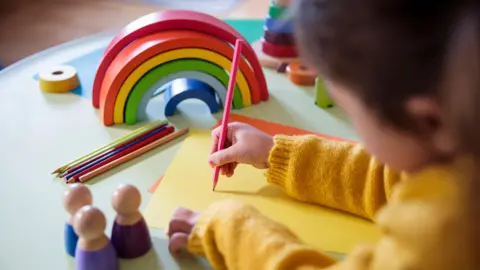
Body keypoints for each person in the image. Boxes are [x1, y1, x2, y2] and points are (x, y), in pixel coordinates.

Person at [166, 0, 480, 269]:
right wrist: (276, 154)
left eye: (352, 113)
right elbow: (390, 180)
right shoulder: (457, 152)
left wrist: (230, 228)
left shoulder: (442, 237)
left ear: (429, 120)